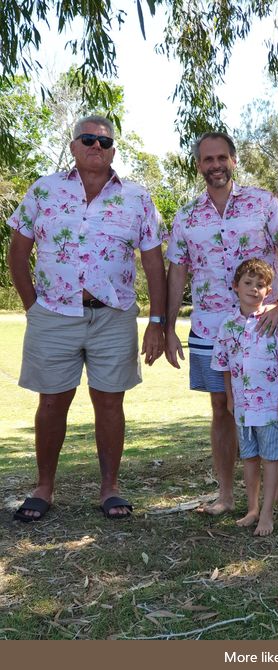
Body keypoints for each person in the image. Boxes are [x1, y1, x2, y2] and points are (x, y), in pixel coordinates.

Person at [7, 114, 167, 521]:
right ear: (74, 145)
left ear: (114, 149)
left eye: (105, 141)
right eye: (88, 139)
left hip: (113, 316)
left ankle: (110, 488)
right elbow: (17, 255)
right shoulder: (44, 190)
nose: (97, 146)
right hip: (54, 314)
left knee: (110, 402)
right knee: (52, 402)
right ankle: (44, 487)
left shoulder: (136, 197)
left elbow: (153, 264)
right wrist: (33, 307)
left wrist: (157, 322)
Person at [165, 131, 278, 517]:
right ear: (199, 165)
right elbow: (177, 273)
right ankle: (228, 496)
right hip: (211, 328)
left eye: (221, 158)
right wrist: (167, 327)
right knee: (222, 409)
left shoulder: (262, 203)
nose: (214, 165)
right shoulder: (187, 216)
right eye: (206, 159)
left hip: (265, 328)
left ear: (233, 160)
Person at [211, 258, 278, 536]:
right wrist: (229, 397)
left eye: (260, 285)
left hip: (271, 407)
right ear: (235, 287)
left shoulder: (273, 321)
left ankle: (267, 514)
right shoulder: (228, 326)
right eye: (248, 283)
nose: (253, 289)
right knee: (249, 457)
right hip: (243, 406)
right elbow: (224, 364)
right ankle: (252, 509)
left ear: (269, 290)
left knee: (270, 458)